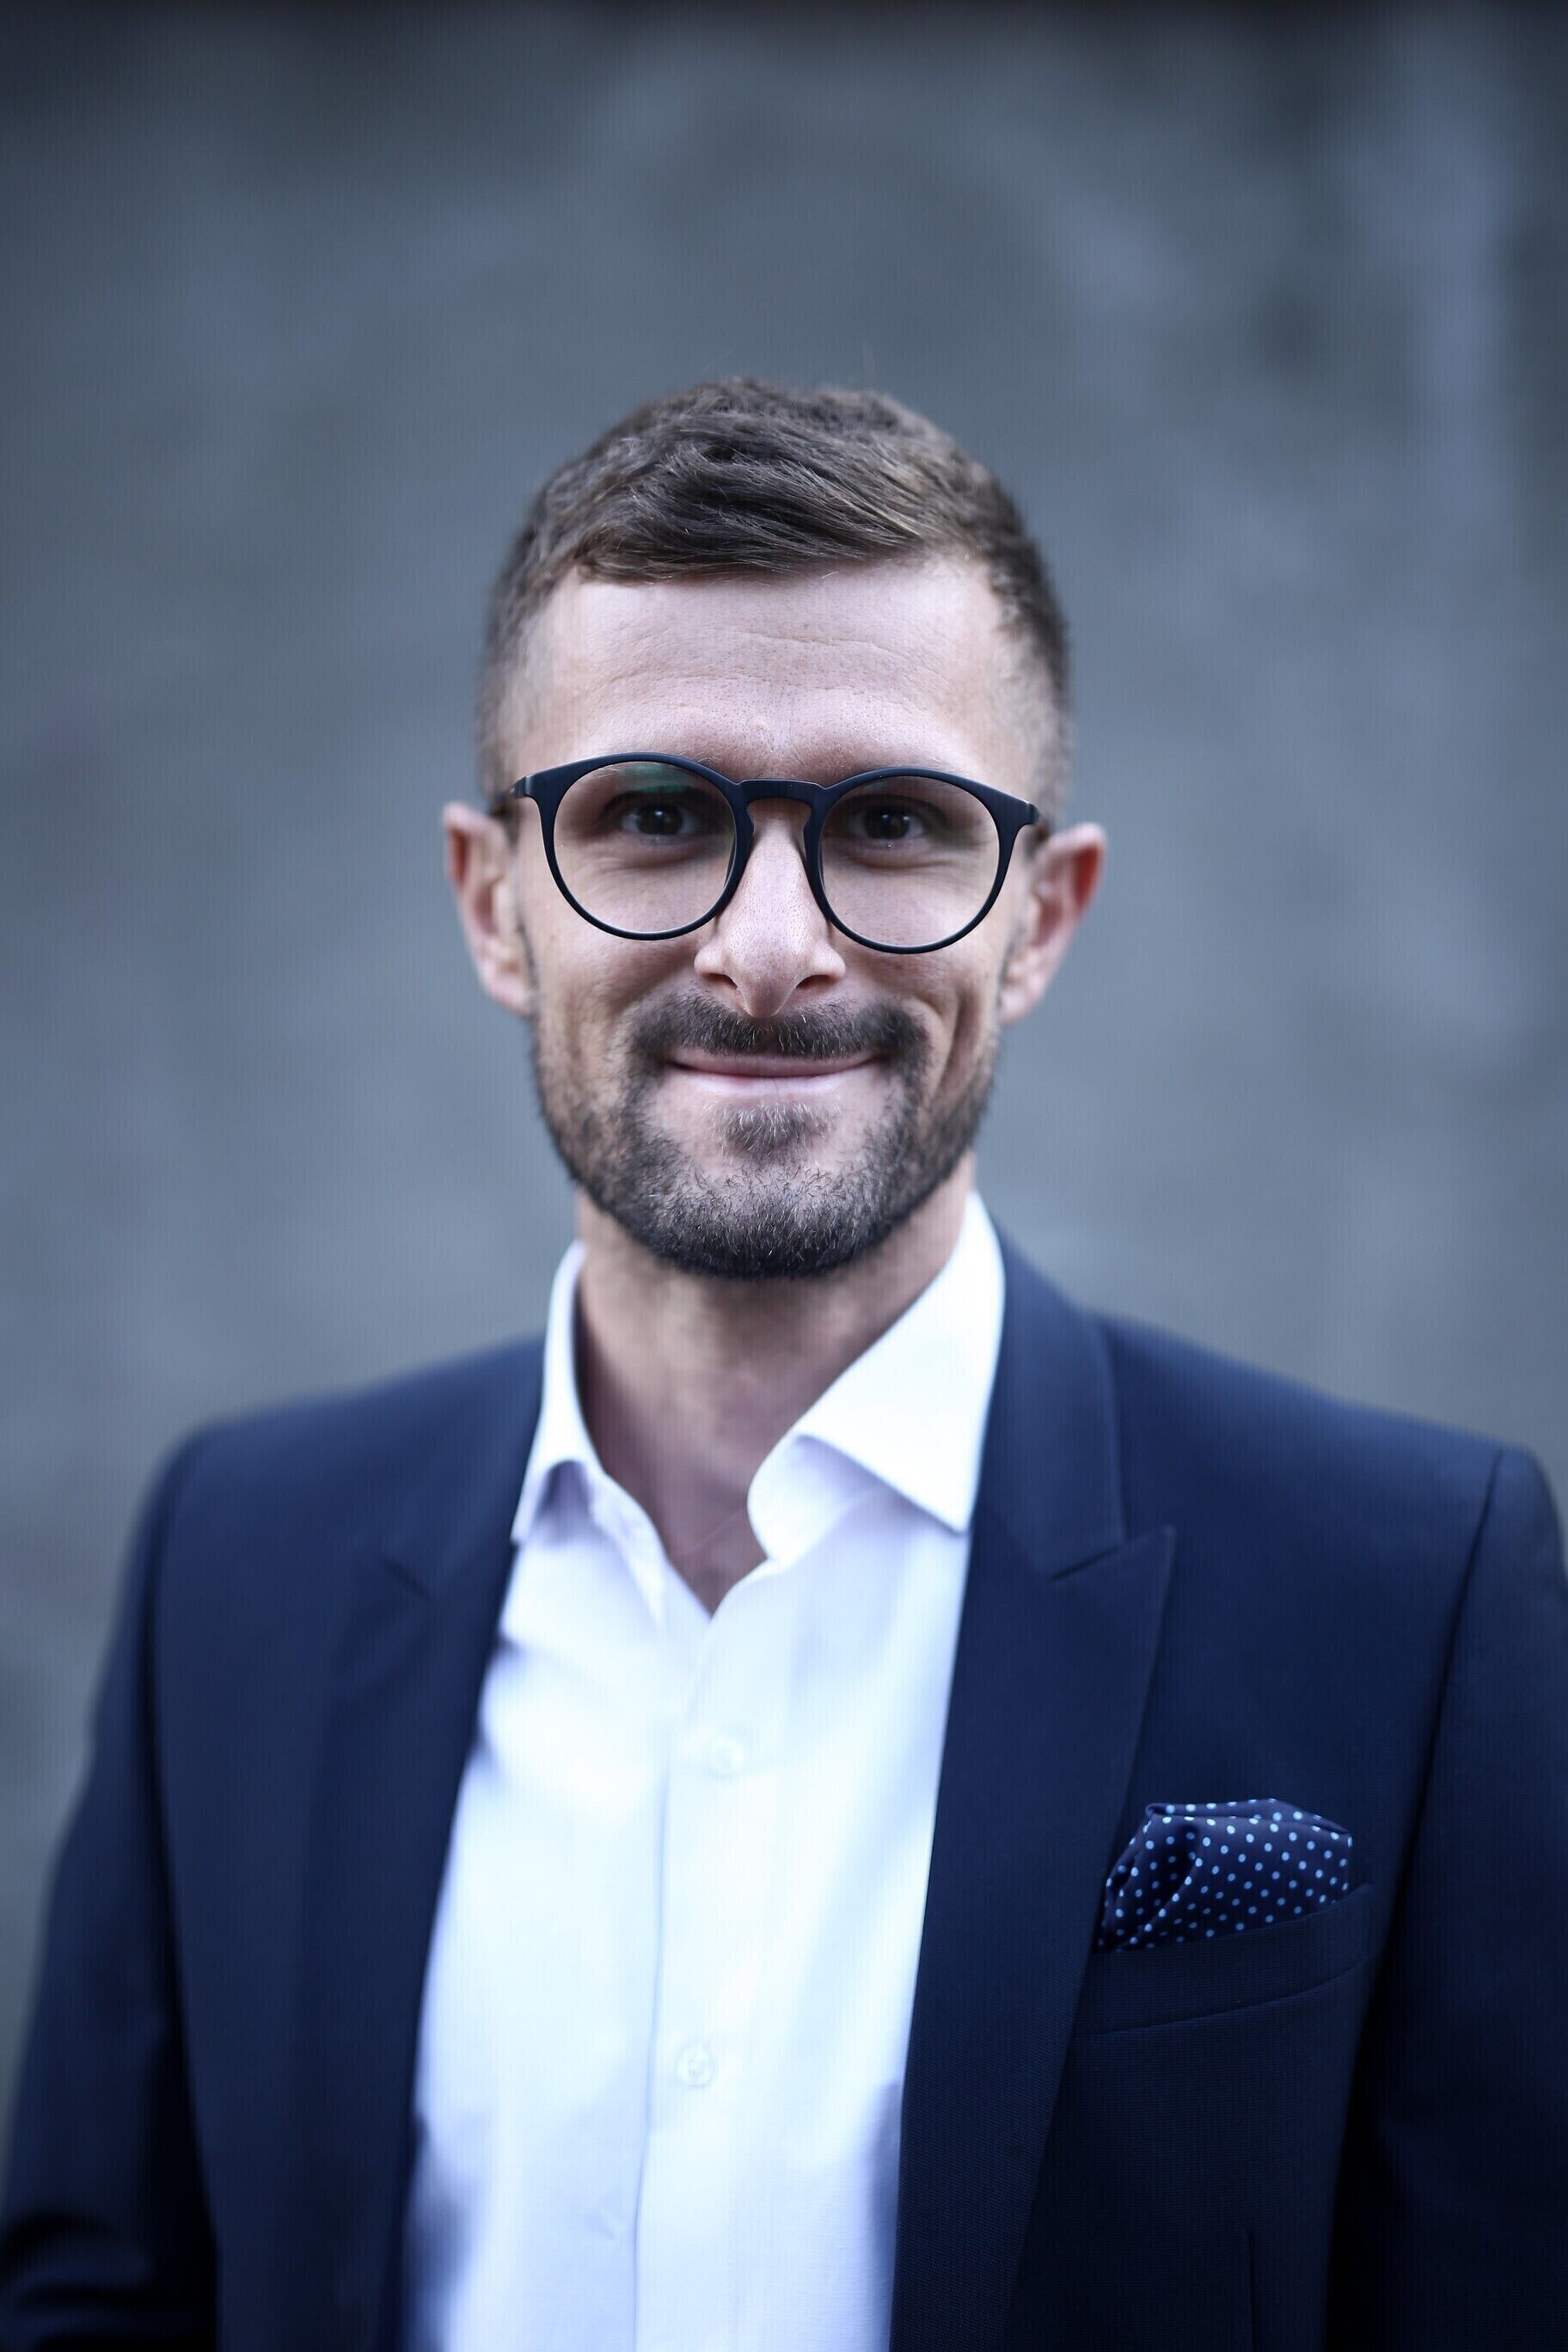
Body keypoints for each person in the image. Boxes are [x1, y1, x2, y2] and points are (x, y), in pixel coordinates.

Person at [1, 379, 1564, 2352]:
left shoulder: (1409, 1589)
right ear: (493, 906)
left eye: (893, 824)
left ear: (1041, 920)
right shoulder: (238, 1561)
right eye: (654, 817)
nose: (765, 948)